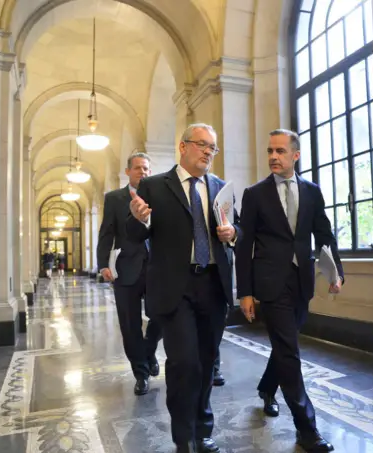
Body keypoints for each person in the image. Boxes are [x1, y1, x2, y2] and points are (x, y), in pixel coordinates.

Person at [127, 124, 240, 453]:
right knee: (184, 362)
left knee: (207, 362)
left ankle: (203, 429)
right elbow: (136, 236)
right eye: (202, 145)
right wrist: (139, 219)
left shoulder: (220, 188)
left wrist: (232, 232)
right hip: (174, 288)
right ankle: (183, 436)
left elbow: (239, 230)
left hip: (213, 285)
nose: (208, 152)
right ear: (183, 146)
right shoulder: (154, 186)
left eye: (213, 148)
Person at [236, 129, 344, 453]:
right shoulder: (254, 194)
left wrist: (336, 272)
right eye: (270, 150)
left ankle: (267, 388)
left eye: (280, 151)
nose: (273, 156)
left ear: (295, 155)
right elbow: (244, 247)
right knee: (290, 354)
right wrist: (245, 292)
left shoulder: (312, 191)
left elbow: (324, 235)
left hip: (302, 283)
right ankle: (306, 429)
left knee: (285, 346)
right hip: (270, 284)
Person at [97, 152, 163, 396]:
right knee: (129, 324)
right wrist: (102, 263)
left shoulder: (159, 195)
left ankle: (149, 349)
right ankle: (141, 373)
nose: (143, 172)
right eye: (138, 168)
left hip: (157, 266)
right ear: (128, 171)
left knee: (163, 314)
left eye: (146, 168)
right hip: (125, 269)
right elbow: (106, 232)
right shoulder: (114, 198)